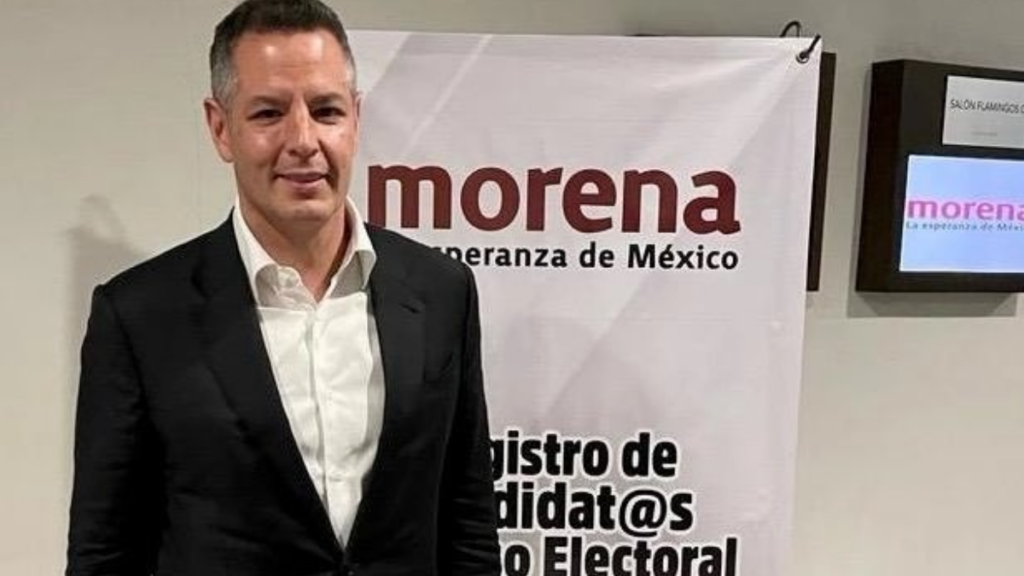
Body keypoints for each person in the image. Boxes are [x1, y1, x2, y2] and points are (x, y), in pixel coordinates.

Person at [65, 1, 500, 574]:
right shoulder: (139, 315)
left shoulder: (442, 292)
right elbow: (104, 553)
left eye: (326, 111)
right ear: (221, 128)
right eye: (269, 113)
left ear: (355, 119)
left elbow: (468, 524)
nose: (303, 139)